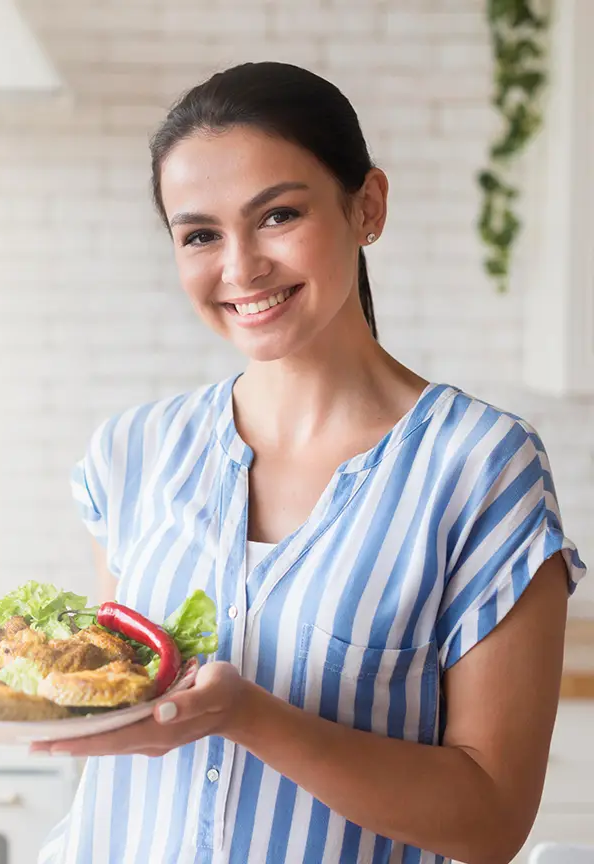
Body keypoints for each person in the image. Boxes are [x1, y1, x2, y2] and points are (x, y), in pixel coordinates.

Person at [31, 62, 586, 864]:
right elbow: (108, 699)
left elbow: (492, 818)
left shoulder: (480, 466)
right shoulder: (132, 454)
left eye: (278, 215)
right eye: (200, 234)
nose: (240, 266)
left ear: (368, 207)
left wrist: (250, 718)